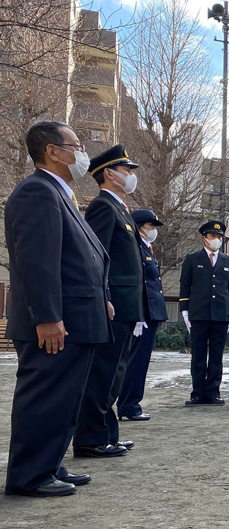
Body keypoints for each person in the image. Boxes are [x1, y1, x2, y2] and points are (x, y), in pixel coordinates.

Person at [4, 121, 112, 497]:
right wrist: (48, 317)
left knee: (64, 399)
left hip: (77, 319)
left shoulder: (58, 194)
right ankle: (30, 475)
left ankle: (49, 464)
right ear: (53, 150)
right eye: (76, 145)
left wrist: (103, 299)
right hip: (54, 323)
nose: (81, 153)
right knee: (45, 397)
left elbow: (74, 260)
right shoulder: (37, 192)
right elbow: (38, 263)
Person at [74, 144, 147, 459]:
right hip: (113, 303)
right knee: (103, 372)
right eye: (127, 170)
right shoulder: (104, 206)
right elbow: (96, 256)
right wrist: (103, 296)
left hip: (126, 304)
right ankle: (91, 439)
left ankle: (106, 434)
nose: (131, 176)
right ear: (109, 173)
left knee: (115, 372)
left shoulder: (120, 208)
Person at [179, 220, 229, 406]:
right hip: (198, 313)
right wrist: (185, 310)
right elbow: (185, 285)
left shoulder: (228, 261)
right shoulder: (192, 259)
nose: (217, 240)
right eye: (213, 236)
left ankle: (213, 391)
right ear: (204, 238)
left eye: (219, 237)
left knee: (216, 355)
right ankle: (197, 392)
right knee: (198, 355)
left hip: (221, 314)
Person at [117, 209, 168, 420]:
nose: (154, 230)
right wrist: (137, 312)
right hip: (143, 311)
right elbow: (137, 282)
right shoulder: (136, 248)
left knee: (141, 360)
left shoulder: (147, 248)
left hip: (150, 311)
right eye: (150, 226)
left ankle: (131, 403)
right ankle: (129, 405)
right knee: (135, 361)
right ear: (139, 227)